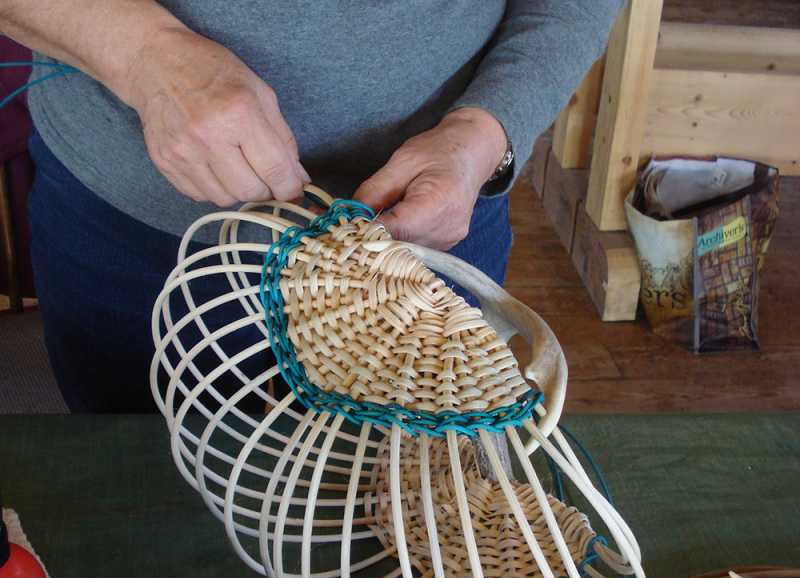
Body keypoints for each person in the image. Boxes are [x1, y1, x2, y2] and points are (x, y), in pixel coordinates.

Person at [1, 0, 622, 412]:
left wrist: (489, 129)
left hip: (432, 234)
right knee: (142, 511)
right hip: (134, 235)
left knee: (406, 524)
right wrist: (144, 55)